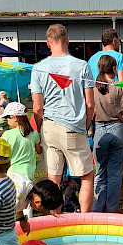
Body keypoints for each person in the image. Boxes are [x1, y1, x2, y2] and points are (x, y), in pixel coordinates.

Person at [31, 24, 95, 213]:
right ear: (67, 41)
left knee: (53, 179)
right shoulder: (82, 66)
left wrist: (39, 130)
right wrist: (85, 125)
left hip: (49, 127)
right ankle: (84, 219)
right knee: (86, 176)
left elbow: (37, 107)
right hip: (74, 127)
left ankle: (54, 218)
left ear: (48, 44)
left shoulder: (38, 68)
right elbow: (90, 104)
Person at [92, 54, 123, 213]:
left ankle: (97, 209)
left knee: (100, 172)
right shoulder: (122, 86)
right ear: (114, 68)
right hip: (117, 129)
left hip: (99, 130)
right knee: (115, 174)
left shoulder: (93, 87)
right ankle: (111, 209)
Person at [1, 102, 41, 181]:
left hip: (12, 172)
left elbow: (1, 153)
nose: (7, 120)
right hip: (28, 173)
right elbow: (39, 151)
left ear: (15, 118)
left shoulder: (7, 134)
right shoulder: (34, 134)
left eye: (7, 117)